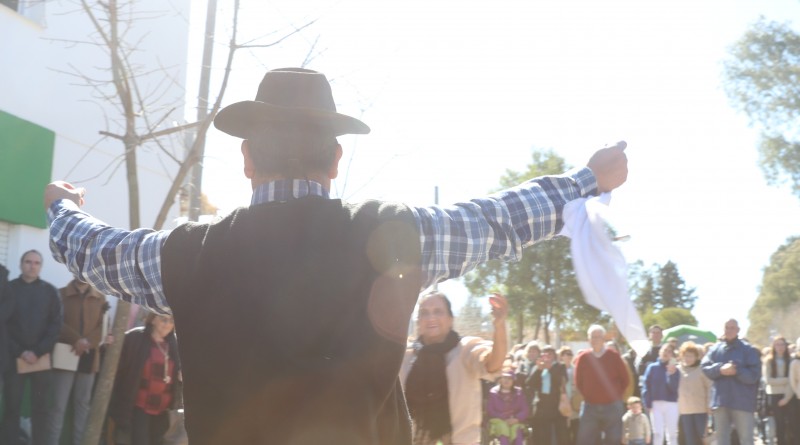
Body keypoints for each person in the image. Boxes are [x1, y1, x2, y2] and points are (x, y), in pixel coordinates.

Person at [44, 67, 629, 445]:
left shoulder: (190, 252)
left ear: (246, 160)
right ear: (336, 161)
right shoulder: (389, 235)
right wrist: (585, 181)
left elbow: (98, 252)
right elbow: (494, 220)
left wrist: (61, 207)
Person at [399, 292, 507, 445]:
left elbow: (493, 364)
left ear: (451, 319)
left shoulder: (465, 349)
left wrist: (500, 326)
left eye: (438, 311)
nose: (431, 318)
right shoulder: (404, 356)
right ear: (418, 322)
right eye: (424, 313)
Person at [2, 250, 63, 445]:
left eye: (36, 263)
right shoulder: (7, 290)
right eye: (28, 262)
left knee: (41, 410)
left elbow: (56, 325)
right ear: (20, 264)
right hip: (14, 358)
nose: (32, 266)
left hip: (41, 359)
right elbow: (3, 325)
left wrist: (37, 351)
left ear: (41, 266)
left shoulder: (50, 292)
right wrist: (20, 352)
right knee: (12, 408)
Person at [45, 278, 109, 445]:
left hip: (89, 356)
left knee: (82, 405)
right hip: (65, 354)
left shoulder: (100, 297)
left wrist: (87, 342)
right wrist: (76, 340)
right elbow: (55, 321)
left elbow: (103, 326)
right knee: (58, 406)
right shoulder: (60, 294)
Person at [108, 313, 181, 445]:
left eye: (171, 321)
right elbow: (116, 365)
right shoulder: (135, 338)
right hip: (138, 408)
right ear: (153, 319)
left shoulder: (175, 344)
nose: (167, 324)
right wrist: (108, 346)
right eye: (163, 319)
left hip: (163, 412)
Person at [701, 319, 761, 445]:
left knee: (746, 439)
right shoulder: (714, 349)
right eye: (727, 327)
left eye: (732, 328)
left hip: (743, 402)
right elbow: (705, 367)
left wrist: (737, 371)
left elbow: (754, 376)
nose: (729, 330)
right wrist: (720, 369)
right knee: (722, 440)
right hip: (721, 402)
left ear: (738, 330)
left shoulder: (748, 350)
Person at [573, 324, 629, 444]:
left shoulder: (614, 356)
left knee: (613, 439)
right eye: (593, 337)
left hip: (612, 406)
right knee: (585, 439)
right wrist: (589, 395)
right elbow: (578, 381)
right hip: (590, 406)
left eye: (598, 337)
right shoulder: (583, 358)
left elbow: (625, 379)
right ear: (588, 339)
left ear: (604, 339)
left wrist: (615, 395)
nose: (595, 340)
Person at [528, 345, 569, 445]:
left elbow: (562, 381)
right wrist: (538, 370)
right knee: (541, 435)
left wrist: (550, 368)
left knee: (561, 435)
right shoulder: (538, 367)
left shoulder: (560, 367)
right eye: (545, 354)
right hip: (542, 404)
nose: (547, 356)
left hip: (557, 404)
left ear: (554, 355)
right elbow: (530, 383)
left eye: (550, 354)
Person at [642, 344, 680, 445]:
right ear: (660, 352)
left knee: (672, 433)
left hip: (671, 403)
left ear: (672, 355)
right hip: (655, 404)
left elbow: (674, 388)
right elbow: (646, 386)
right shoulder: (652, 367)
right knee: (658, 433)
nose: (666, 353)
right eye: (664, 350)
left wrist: (671, 374)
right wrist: (647, 403)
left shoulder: (676, 370)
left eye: (669, 351)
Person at [677, 341, 712, 445]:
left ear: (696, 357)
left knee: (703, 437)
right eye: (686, 356)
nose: (688, 358)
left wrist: (709, 404)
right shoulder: (677, 370)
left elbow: (710, 387)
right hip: (684, 410)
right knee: (689, 439)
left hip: (701, 409)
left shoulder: (702, 369)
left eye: (691, 356)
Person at [762, 335, 794, 445]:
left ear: (785, 346)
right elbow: (769, 380)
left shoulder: (791, 360)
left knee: (791, 424)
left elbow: (793, 381)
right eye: (777, 345)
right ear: (773, 346)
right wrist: (787, 379)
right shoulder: (768, 361)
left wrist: (786, 398)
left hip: (789, 395)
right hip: (774, 395)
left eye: (782, 344)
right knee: (779, 425)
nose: (780, 347)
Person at [486, 370, 528, 445]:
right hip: (498, 420)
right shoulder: (493, 392)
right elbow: (490, 410)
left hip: (514, 420)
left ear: (513, 381)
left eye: (509, 379)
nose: (506, 380)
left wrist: (516, 419)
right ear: (500, 379)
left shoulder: (519, 392)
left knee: (517, 432)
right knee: (503, 430)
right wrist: (502, 417)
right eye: (504, 378)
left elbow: (524, 410)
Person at [558, 346, 581, 444]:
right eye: (566, 354)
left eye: (570, 354)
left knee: (575, 429)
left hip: (574, 403)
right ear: (561, 356)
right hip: (561, 403)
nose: (568, 356)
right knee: (563, 432)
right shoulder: (557, 369)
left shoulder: (576, 369)